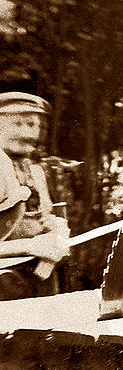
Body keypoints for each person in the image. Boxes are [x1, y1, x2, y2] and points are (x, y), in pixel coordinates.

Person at [0, 92, 69, 299]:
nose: (28, 134)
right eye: (18, 124)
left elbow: (42, 217)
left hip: (37, 282)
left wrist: (56, 228)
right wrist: (30, 246)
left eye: (32, 125)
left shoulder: (36, 171)